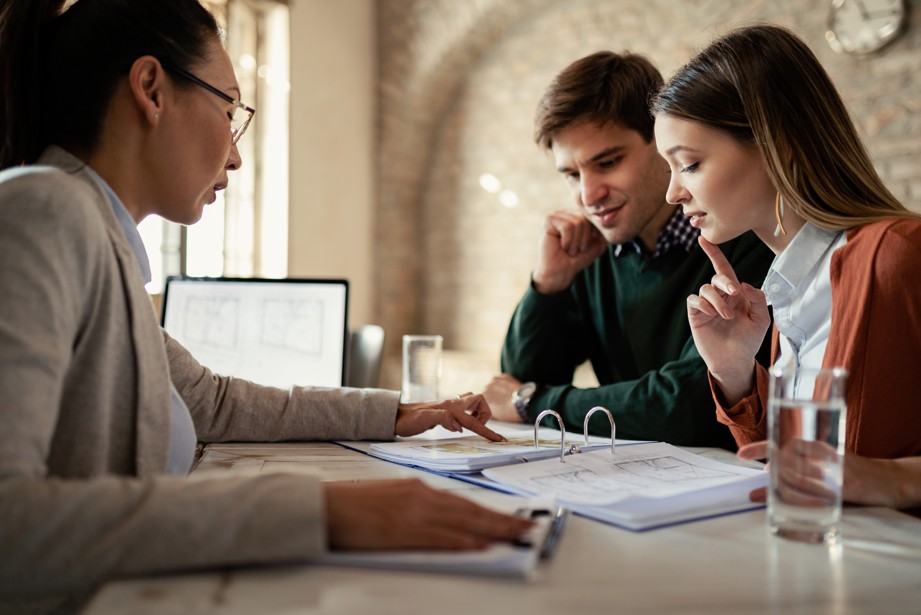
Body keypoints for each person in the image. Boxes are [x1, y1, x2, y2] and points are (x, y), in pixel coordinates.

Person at [0, 1, 532, 612]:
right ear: (151, 89)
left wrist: (400, 412)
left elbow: (214, 402)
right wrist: (319, 510)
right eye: (229, 110)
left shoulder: (98, 240)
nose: (236, 155)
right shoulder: (43, 214)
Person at [651, 24, 921, 510]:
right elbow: (787, 470)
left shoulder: (898, 255)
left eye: (688, 164)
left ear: (779, 143)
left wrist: (896, 480)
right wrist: (734, 372)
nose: (672, 193)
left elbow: (856, 473)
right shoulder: (788, 286)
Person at [482, 51, 774, 447]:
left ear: (662, 142)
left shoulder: (746, 235)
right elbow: (517, 383)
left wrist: (535, 402)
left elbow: (688, 406)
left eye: (607, 162)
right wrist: (547, 286)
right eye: (571, 174)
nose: (588, 195)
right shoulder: (590, 254)